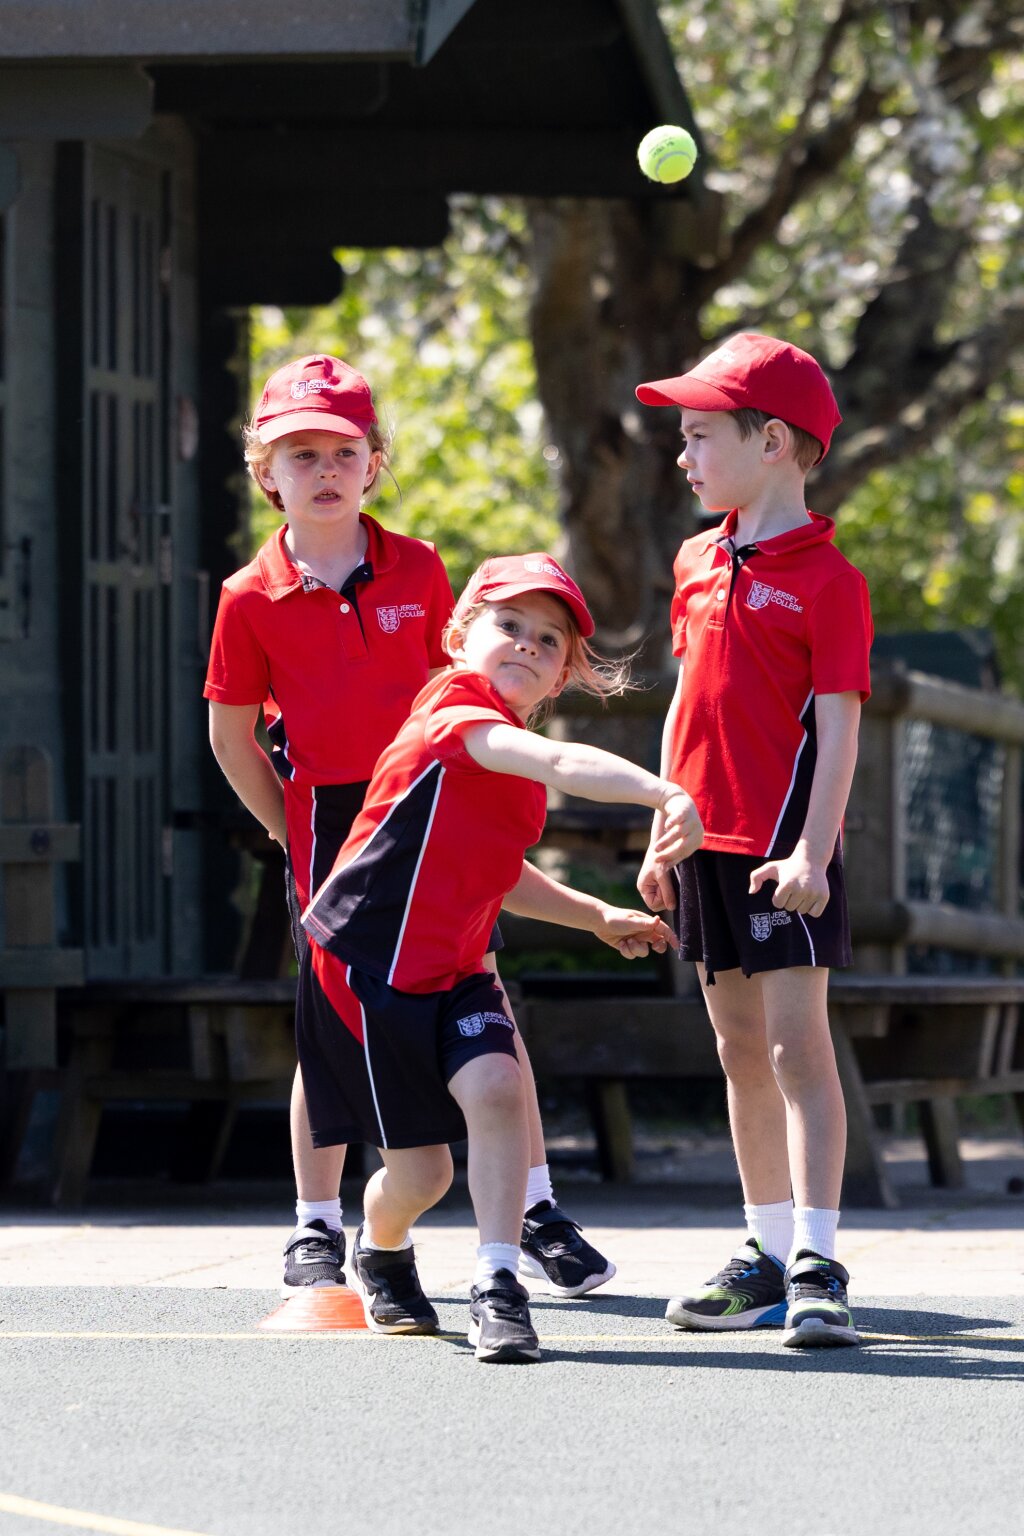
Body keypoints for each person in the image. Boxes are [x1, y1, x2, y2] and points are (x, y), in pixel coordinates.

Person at [204, 354, 615, 1308]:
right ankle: (317, 1220)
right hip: (326, 823)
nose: (325, 470)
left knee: (482, 993)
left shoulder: (422, 567)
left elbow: (467, 684)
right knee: (326, 1025)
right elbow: (231, 737)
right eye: (301, 453)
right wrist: (293, 837)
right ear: (266, 471)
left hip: (432, 804)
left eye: (344, 451)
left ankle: (537, 1209)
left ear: (375, 463)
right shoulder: (247, 594)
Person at [298, 553, 704, 1362]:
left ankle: (497, 1283)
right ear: (458, 638)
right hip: (366, 967)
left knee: (498, 1086)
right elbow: (562, 762)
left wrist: (594, 916)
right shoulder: (453, 710)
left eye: (549, 641)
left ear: (562, 676)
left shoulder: (509, 764)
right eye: (509, 624)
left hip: (457, 971)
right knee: (422, 1178)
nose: (527, 645)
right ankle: (382, 1249)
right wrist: (666, 791)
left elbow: (501, 872)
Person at [635, 333, 873, 1349]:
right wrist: (661, 823)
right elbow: (685, 698)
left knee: (793, 1049)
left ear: (771, 441)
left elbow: (840, 729)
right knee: (736, 1049)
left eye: (700, 436)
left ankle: (818, 1260)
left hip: (784, 854)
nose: (683, 454)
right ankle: (766, 1256)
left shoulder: (832, 581)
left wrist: (814, 853)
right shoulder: (695, 558)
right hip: (701, 845)